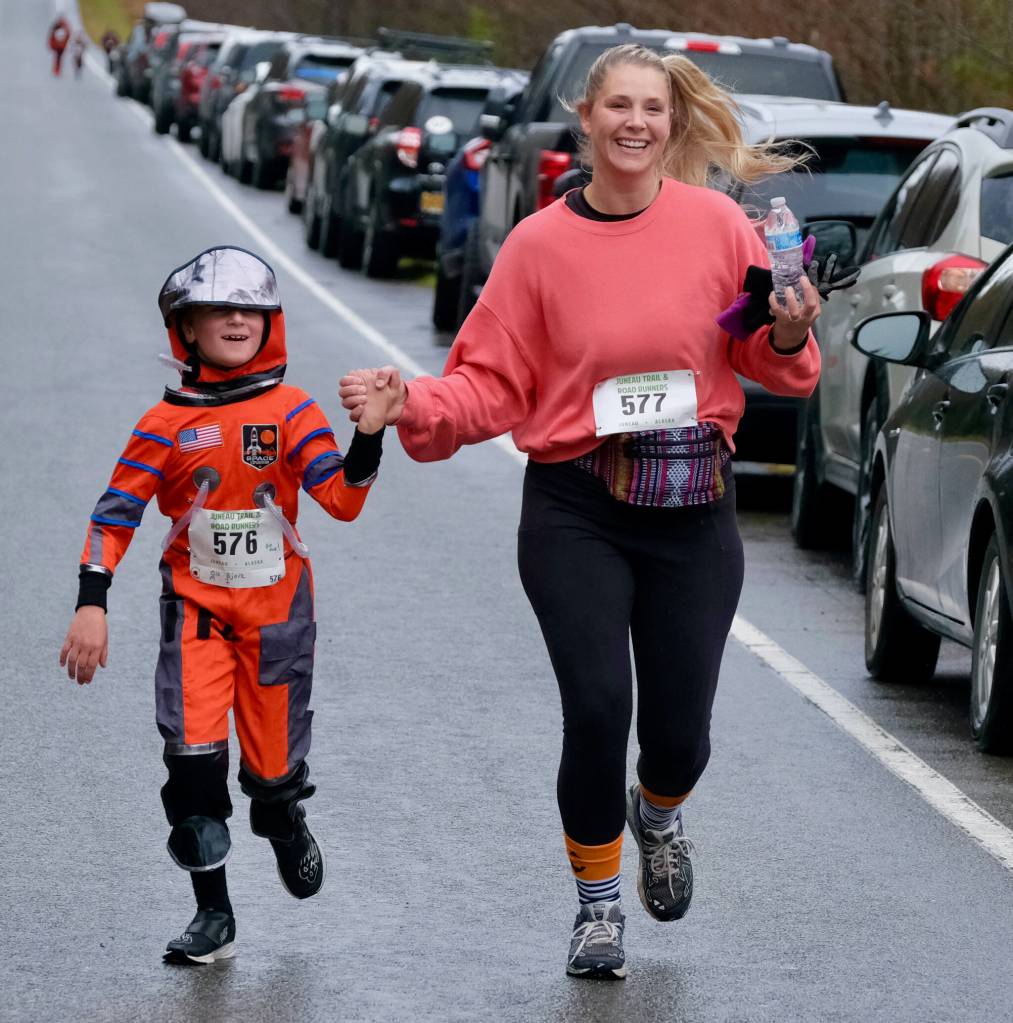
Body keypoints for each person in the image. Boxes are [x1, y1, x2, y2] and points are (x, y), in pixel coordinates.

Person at [340, 44, 826, 979]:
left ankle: (658, 811)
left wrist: (791, 328)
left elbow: (767, 359)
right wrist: (413, 404)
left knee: (678, 733)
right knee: (598, 705)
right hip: (576, 505)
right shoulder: (538, 247)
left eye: (652, 108)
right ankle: (596, 907)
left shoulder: (719, 229)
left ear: (671, 124)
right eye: (618, 108)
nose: (635, 123)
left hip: (691, 504)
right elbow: (488, 384)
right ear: (587, 119)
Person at [59, 246, 396, 964]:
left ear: (270, 323)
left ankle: (283, 821)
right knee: (191, 765)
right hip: (196, 617)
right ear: (186, 328)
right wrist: (93, 602)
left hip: (278, 618)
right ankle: (214, 914)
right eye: (218, 309)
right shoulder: (164, 423)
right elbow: (114, 514)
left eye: (250, 309)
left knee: (269, 778)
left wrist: (369, 432)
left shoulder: (291, 408)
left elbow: (340, 499)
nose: (236, 319)